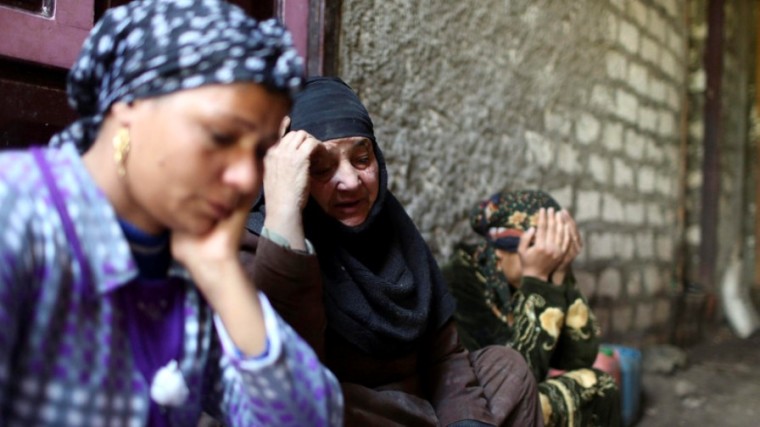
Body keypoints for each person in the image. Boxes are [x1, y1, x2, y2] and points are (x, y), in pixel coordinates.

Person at [0, 1, 343, 426]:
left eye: (258, 151)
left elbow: (307, 420)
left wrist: (222, 275)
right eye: (220, 134)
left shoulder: (184, 264)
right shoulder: (16, 214)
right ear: (130, 107)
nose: (243, 176)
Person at [243, 76, 543, 426]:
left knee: (506, 369)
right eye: (321, 168)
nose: (351, 182)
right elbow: (287, 372)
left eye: (361, 158)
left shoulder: (394, 229)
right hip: (349, 412)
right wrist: (283, 213)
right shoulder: (259, 241)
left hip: (416, 407)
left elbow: (444, 355)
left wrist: (467, 422)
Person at [441, 190, 621, 427]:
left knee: (599, 384)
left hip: (517, 395)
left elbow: (579, 357)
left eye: (555, 253)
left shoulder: (538, 272)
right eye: (540, 251)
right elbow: (510, 386)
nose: (549, 259)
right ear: (499, 249)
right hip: (477, 408)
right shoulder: (459, 282)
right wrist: (536, 280)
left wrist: (559, 277)